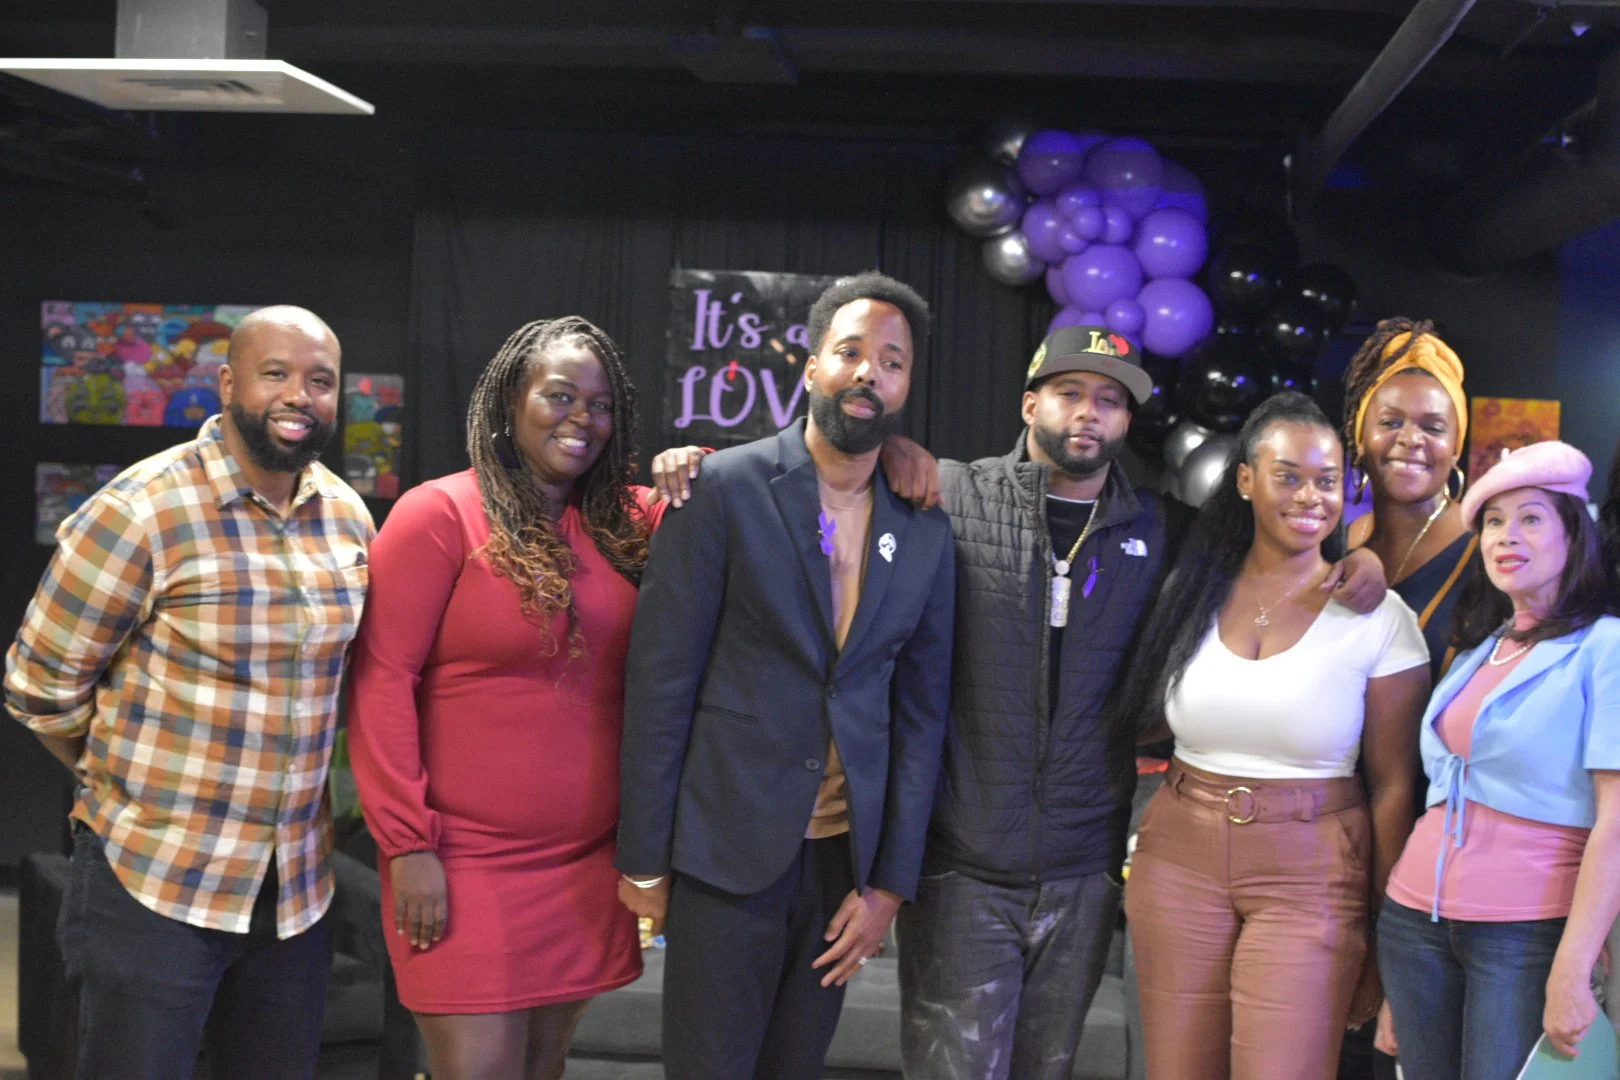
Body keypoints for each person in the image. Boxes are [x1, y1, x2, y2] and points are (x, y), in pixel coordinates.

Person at [650, 329, 1390, 1080]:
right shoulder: (945, 496)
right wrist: (694, 464)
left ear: (1127, 423)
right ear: (1030, 402)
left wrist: (1363, 551)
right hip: (962, 868)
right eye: (1070, 393)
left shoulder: (1161, 531)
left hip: (1083, 871)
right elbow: (826, 470)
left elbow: (1279, 545)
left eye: (1109, 401)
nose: (1088, 414)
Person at [4, 306, 372, 1080]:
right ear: (227, 382)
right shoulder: (142, 510)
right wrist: (129, 787)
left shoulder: (347, 518)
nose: (298, 395)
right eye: (276, 374)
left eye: (320, 380)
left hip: (295, 891)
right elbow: (39, 687)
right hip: (156, 882)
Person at [615, 272, 956, 1080]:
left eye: (893, 361)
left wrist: (888, 889)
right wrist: (643, 860)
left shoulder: (926, 524)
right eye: (851, 352)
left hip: (843, 865)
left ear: (908, 385)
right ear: (811, 368)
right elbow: (661, 686)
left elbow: (922, 718)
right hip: (722, 854)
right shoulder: (720, 487)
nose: (870, 371)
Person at [345, 317, 660, 1079]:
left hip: (584, 865)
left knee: (543, 1071)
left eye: (601, 403)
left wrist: (693, 461)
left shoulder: (625, 522)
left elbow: (755, 486)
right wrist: (407, 845)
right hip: (461, 863)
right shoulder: (439, 514)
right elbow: (380, 681)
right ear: (509, 402)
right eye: (559, 396)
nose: (582, 418)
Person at [1119, 391, 1431, 1080]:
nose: (1309, 496)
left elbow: (1394, 785)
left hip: (1313, 870)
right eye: (1287, 475)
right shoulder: (1191, 589)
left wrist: (1384, 924)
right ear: (1245, 480)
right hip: (1179, 857)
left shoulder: (1379, 617)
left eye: (1327, 480)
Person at [1376, 440, 1620, 1079]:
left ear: (1574, 531)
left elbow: (1616, 824)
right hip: (1413, 924)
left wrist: (1574, 964)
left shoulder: (1607, 647)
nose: (1507, 536)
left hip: (1523, 931)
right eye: (1493, 521)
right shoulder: (1486, 646)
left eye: (1531, 517)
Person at [1337, 316, 1476, 1079]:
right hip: (1326, 847)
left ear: (1459, 443)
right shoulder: (1325, 543)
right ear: (1359, 434)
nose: (1409, 439)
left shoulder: (1490, 559)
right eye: (1389, 421)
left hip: (1443, 865)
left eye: (1433, 424)